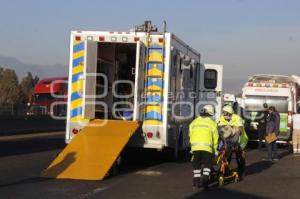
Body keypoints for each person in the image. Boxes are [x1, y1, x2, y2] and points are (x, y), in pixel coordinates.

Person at [189, 105, 219, 189]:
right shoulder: (212, 123)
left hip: (195, 148)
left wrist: (192, 148)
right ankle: (205, 182)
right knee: (207, 165)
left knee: (197, 166)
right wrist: (215, 150)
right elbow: (215, 138)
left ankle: (196, 183)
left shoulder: (193, 122)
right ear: (210, 113)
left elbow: (190, 135)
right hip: (207, 148)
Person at [219, 105, 248, 179]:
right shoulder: (222, 118)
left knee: (240, 157)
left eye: (225, 113)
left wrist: (234, 131)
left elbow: (240, 130)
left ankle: (241, 172)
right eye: (223, 113)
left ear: (229, 113)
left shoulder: (237, 118)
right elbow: (220, 129)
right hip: (228, 141)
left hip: (240, 140)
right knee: (226, 155)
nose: (223, 114)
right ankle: (225, 172)